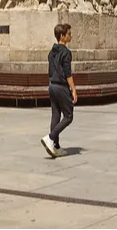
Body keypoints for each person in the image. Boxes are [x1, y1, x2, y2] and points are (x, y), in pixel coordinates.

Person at [42, 24, 77, 158]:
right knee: (68, 116)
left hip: (52, 85)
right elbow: (68, 73)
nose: (70, 36)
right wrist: (73, 89)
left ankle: (55, 146)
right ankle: (50, 138)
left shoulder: (51, 52)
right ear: (62, 36)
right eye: (68, 34)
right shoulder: (66, 52)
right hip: (61, 86)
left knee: (55, 115)